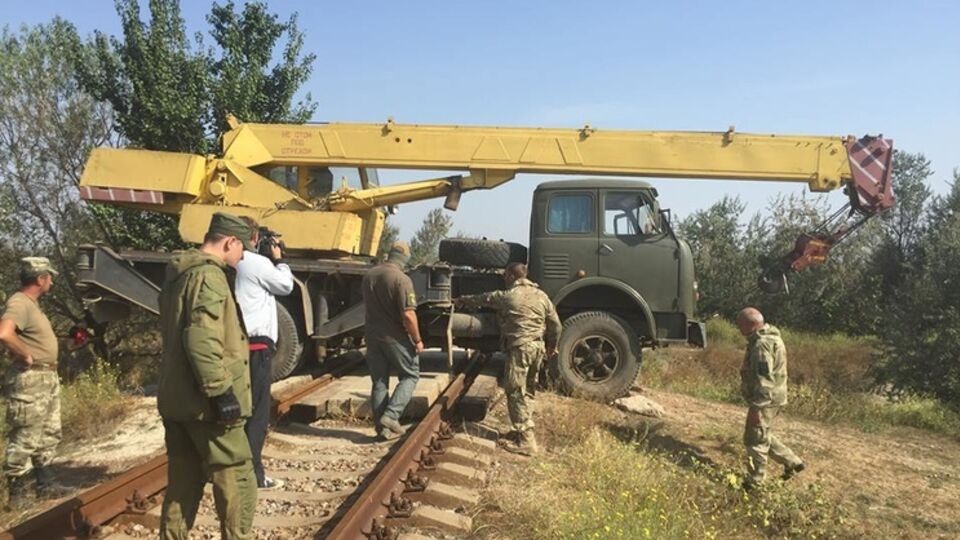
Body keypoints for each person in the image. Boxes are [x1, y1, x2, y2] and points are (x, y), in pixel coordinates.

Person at [157, 212, 257, 540]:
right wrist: (221, 391)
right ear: (230, 241)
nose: (242, 258)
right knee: (238, 478)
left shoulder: (179, 275)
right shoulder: (210, 277)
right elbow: (201, 338)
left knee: (182, 486)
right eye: (242, 249)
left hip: (178, 399)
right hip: (207, 405)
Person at [456, 263, 561, 455]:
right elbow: (555, 325)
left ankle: (527, 440)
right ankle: (521, 431)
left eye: (505, 275)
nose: (504, 278)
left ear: (512, 276)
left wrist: (463, 300)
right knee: (528, 389)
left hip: (520, 347)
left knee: (514, 390)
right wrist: (551, 346)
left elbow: (484, 299)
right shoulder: (542, 296)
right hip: (537, 348)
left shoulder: (508, 296)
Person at [0, 257, 65, 509]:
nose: (52, 281)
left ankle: (45, 485)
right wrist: (24, 354)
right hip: (31, 379)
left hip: (45, 377)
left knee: (48, 433)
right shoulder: (19, 302)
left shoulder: (31, 305)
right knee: (26, 435)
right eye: (49, 276)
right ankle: (19, 497)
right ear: (40, 279)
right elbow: (4, 332)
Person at [235, 217, 293, 490]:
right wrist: (279, 259)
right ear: (254, 237)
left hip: (235, 345)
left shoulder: (228, 263)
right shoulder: (255, 263)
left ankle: (225, 468)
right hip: (256, 347)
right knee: (258, 413)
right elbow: (286, 285)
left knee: (234, 411)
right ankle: (254, 475)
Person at [737, 307, 805, 489]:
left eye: (740, 324)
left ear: (749, 324)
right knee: (763, 433)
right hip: (775, 397)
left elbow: (764, 379)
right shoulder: (771, 338)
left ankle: (755, 483)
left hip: (765, 399)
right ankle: (793, 462)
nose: (738, 329)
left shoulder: (762, 345)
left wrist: (756, 408)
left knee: (755, 439)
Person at [361, 241, 423, 441]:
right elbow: (408, 316)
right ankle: (391, 416)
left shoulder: (370, 275)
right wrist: (418, 340)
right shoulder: (401, 279)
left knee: (379, 382)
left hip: (372, 336)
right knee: (410, 375)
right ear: (404, 259)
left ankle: (382, 430)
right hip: (394, 337)